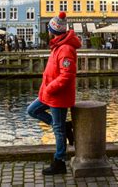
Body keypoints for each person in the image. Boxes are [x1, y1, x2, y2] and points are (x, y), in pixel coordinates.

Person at [27, 12, 81, 175]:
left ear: (54, 30)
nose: (48, 31)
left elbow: (67, 75)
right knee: (32, 110)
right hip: (49, 93)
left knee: (58, 131)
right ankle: (65, 126)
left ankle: (59, 162)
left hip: (58, 95)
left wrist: (50, 88)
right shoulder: (58, 45)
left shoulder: (65, 48)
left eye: (49, 28)